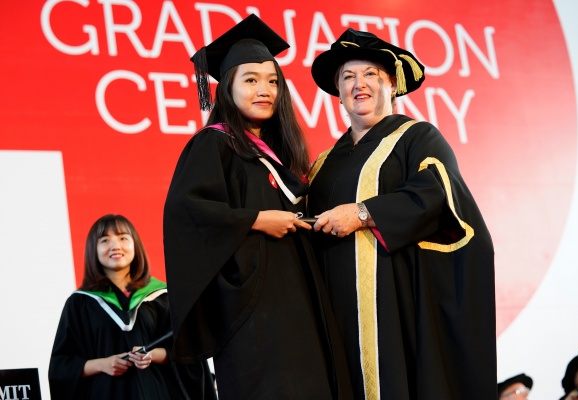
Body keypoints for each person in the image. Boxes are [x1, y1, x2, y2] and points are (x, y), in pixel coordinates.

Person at [163, 14, 351, 400]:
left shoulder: (283, 157)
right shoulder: (214, 145)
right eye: (250, 80)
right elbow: (188, 213)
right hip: (253, 314)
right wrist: (256, 220)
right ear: (226, 87)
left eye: (272, 81)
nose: (264, 90)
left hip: (300, 303)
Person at [308, 28, 497, 399]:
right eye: (348, 77)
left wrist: (362, 213)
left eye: (370, 75)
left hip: (395, 309)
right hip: (334, 310)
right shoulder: (323, 164)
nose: (358, 84)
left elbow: (436, 194)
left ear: (391, 85)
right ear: (338, 92)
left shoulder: (416, 137)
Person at [48, 214, 186, 399]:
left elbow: (186, 352)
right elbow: (61, 366)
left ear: (135, 245)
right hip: (105, 393)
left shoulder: (161, 297)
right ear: (93, 250)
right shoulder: (80, 303)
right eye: (105, 240)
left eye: (123, 238)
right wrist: (102, 364)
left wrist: (153, 354)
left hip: (156, 392)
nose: (115, 246)